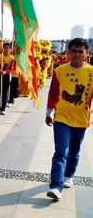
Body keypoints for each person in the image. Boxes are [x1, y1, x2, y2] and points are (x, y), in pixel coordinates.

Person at [45, 38, 93, 200]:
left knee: (74, 152)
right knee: (60, 152)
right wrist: (48, 112)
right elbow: (53, 92)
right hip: (61, 118)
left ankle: (68, 176)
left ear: (86, 53)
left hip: (81, 118)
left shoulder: (92, 72)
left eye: (81, 51)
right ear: (68, 53)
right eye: (74, 51)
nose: (77, 54)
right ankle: (55, 187)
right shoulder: (59, 71)